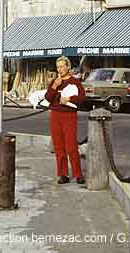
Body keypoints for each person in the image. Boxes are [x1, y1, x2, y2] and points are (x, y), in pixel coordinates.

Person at [44, 56, 85, 185]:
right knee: (58, 147)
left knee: (71, 146)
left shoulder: (75, 82)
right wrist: (54, 87)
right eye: (58, 67)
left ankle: (78, 174)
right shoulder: (55, 82)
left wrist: (69, 99)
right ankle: (63, 174)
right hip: (55, 115)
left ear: (68, 67)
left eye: (62, 66)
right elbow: (48, 98)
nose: (60, 69)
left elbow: (82, 98)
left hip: (69, 115)